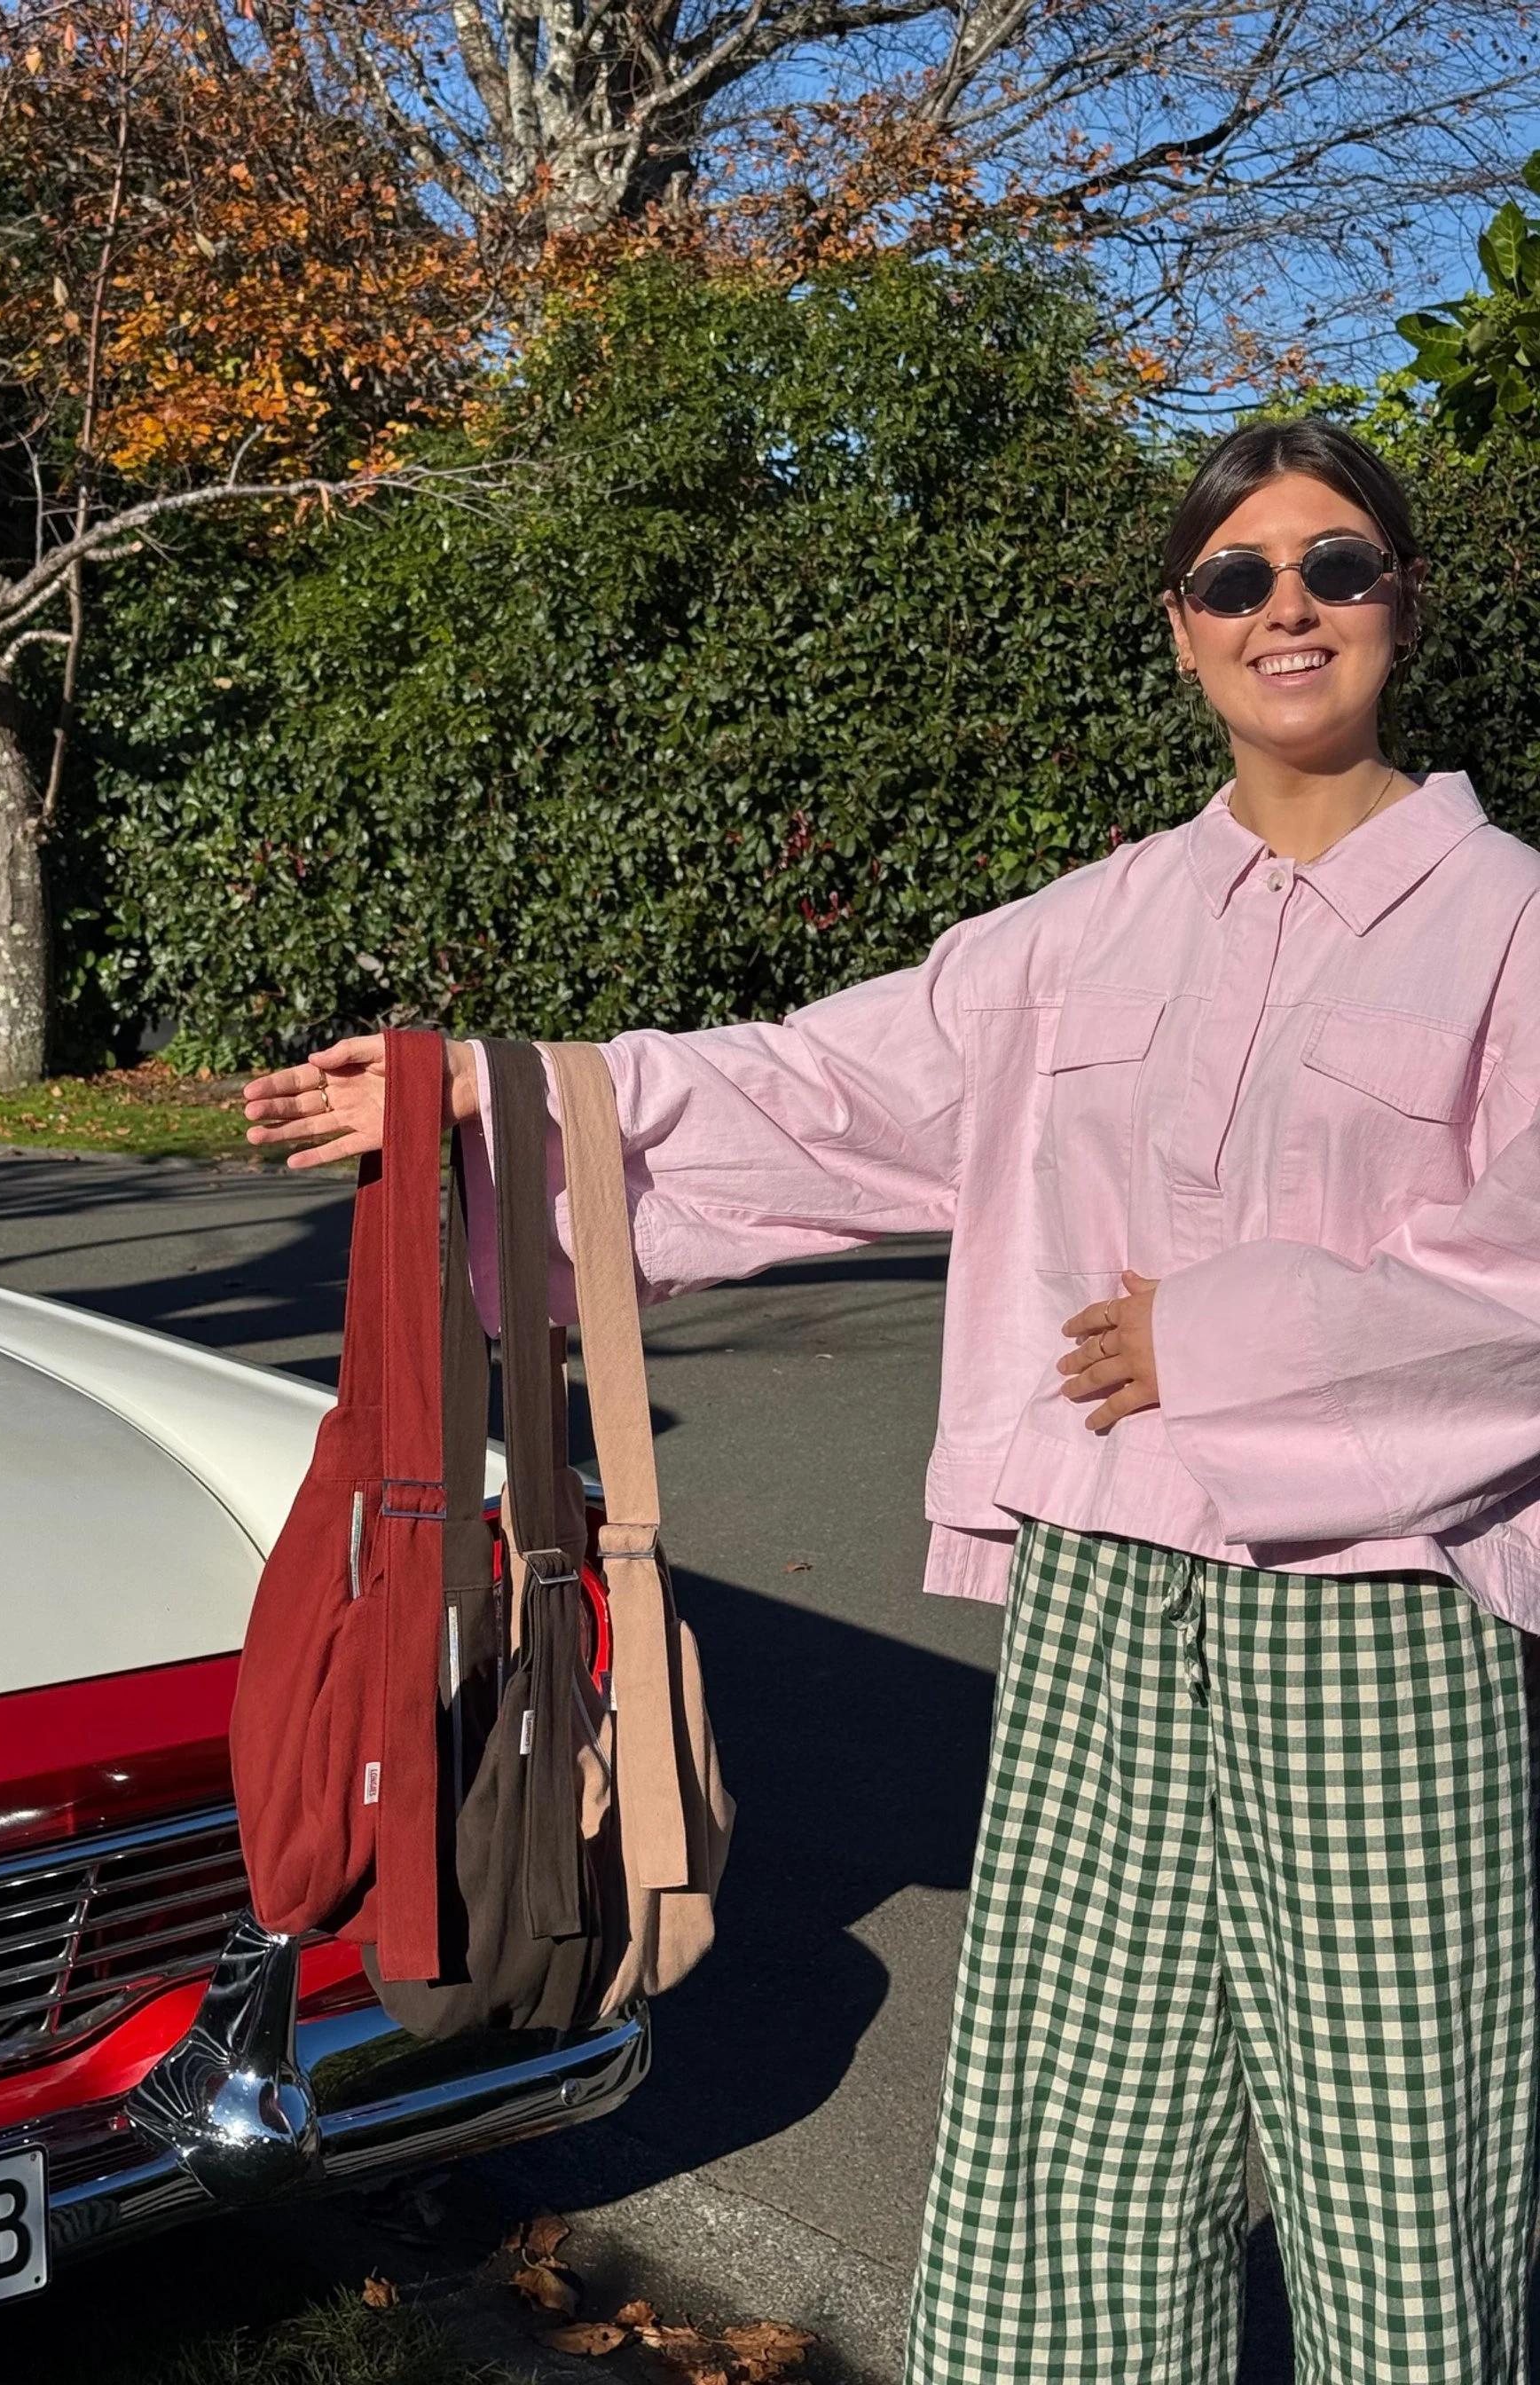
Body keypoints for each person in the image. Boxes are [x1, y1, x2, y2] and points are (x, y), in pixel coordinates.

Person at [243, 419, 1540, 2383]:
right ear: (1182, 631)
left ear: (1405, 606)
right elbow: (814, 1090)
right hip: (1105, 1600)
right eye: (1239, 579)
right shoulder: (1088, 930)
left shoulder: (1511, 923)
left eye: (1338, 569)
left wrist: (1239, 1337)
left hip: (1378, 1616)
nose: (1292, 609)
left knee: (1406, 2163)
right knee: (1074, 2145)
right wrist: (471, 1090)